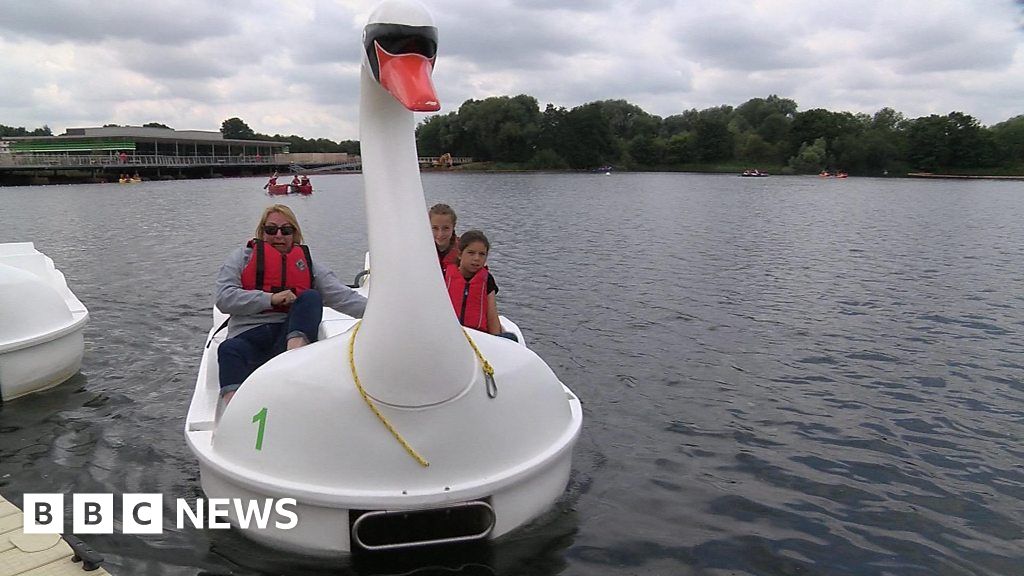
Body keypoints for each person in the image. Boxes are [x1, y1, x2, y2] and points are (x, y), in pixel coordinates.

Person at [215, 204, 367, 404]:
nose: (279, 235)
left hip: (287, 337)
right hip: (248, 337)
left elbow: (343, 297)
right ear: (262, 232)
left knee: (311, 297)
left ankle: (291, 363)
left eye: (286, 230)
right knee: (228, 349)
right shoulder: (241, 259)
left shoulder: (309, 265)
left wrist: (383, 313)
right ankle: (234, 411)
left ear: (295, 234)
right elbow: (224, 298)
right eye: (271, 230)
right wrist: (269, 298)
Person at [443, 229, 517, 341]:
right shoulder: (445, 277)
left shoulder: (487, 280)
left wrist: (497, 341)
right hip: (450, 334)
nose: (477, 258)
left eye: (482, 254)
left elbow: (491, 314)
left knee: (512, 338)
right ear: (459, 254)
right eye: (471, 253)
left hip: (478, 338)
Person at [429, 203, 459, 271]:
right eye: (435, 228)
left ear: (453, 226)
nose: (440, 234)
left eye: (446, 228)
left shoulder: (464, 251)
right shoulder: (419, 251)